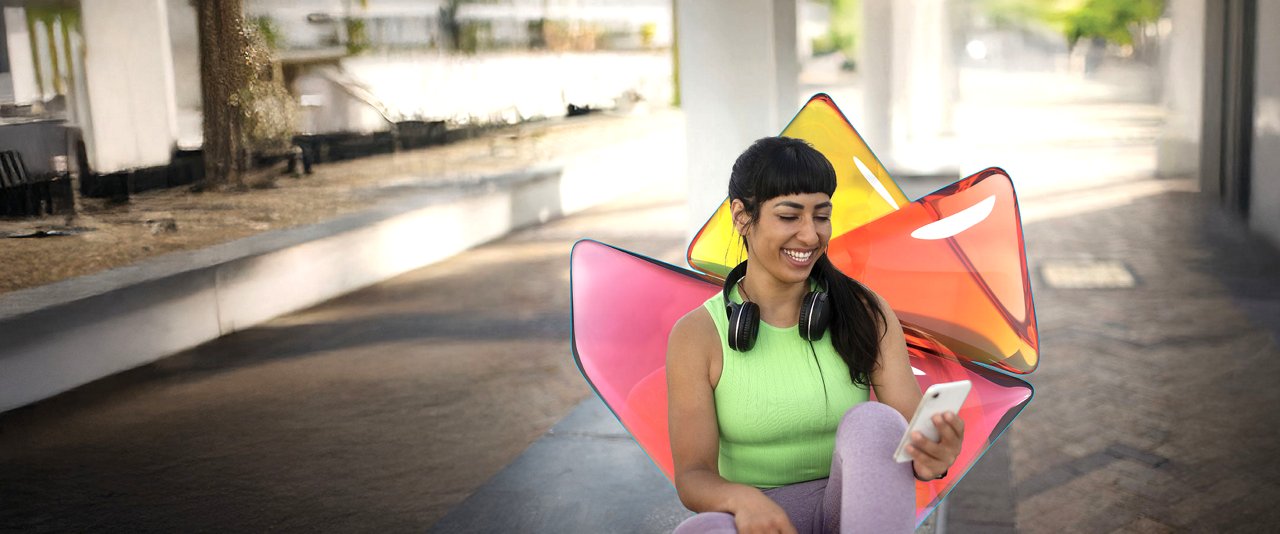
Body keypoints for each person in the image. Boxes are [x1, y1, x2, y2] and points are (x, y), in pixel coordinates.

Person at [666, 137, 965, 534]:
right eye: (790, 217)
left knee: (874, 422)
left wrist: (935, 456)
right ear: (741, 216)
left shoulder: (864, 312)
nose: (810, 236)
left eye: (821, 216)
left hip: (852, 513)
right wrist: (745, 500)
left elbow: (912, 436)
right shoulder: (697, 336)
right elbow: (693, 476)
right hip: (757, 519)